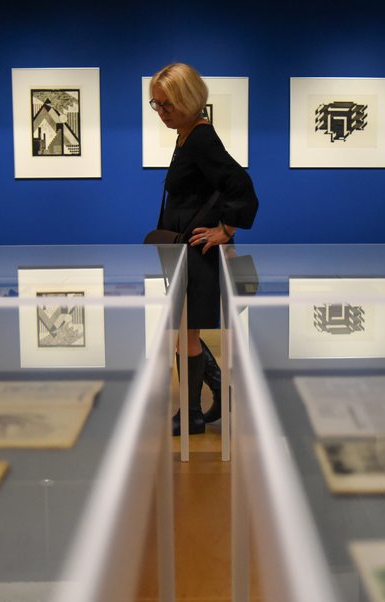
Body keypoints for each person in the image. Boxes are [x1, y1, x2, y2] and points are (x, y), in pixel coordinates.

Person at [149, 62, 258, 435]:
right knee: (186, 330)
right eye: (156, 104)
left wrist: (225, 229)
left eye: (168, 104)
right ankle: (213, 395)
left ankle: (192, 414)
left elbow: (241, 187)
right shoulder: (186, 135)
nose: (161, 112)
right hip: (187, 253)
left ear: (189, 100)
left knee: (187, 332)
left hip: (198, 255)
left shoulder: (200, 138)